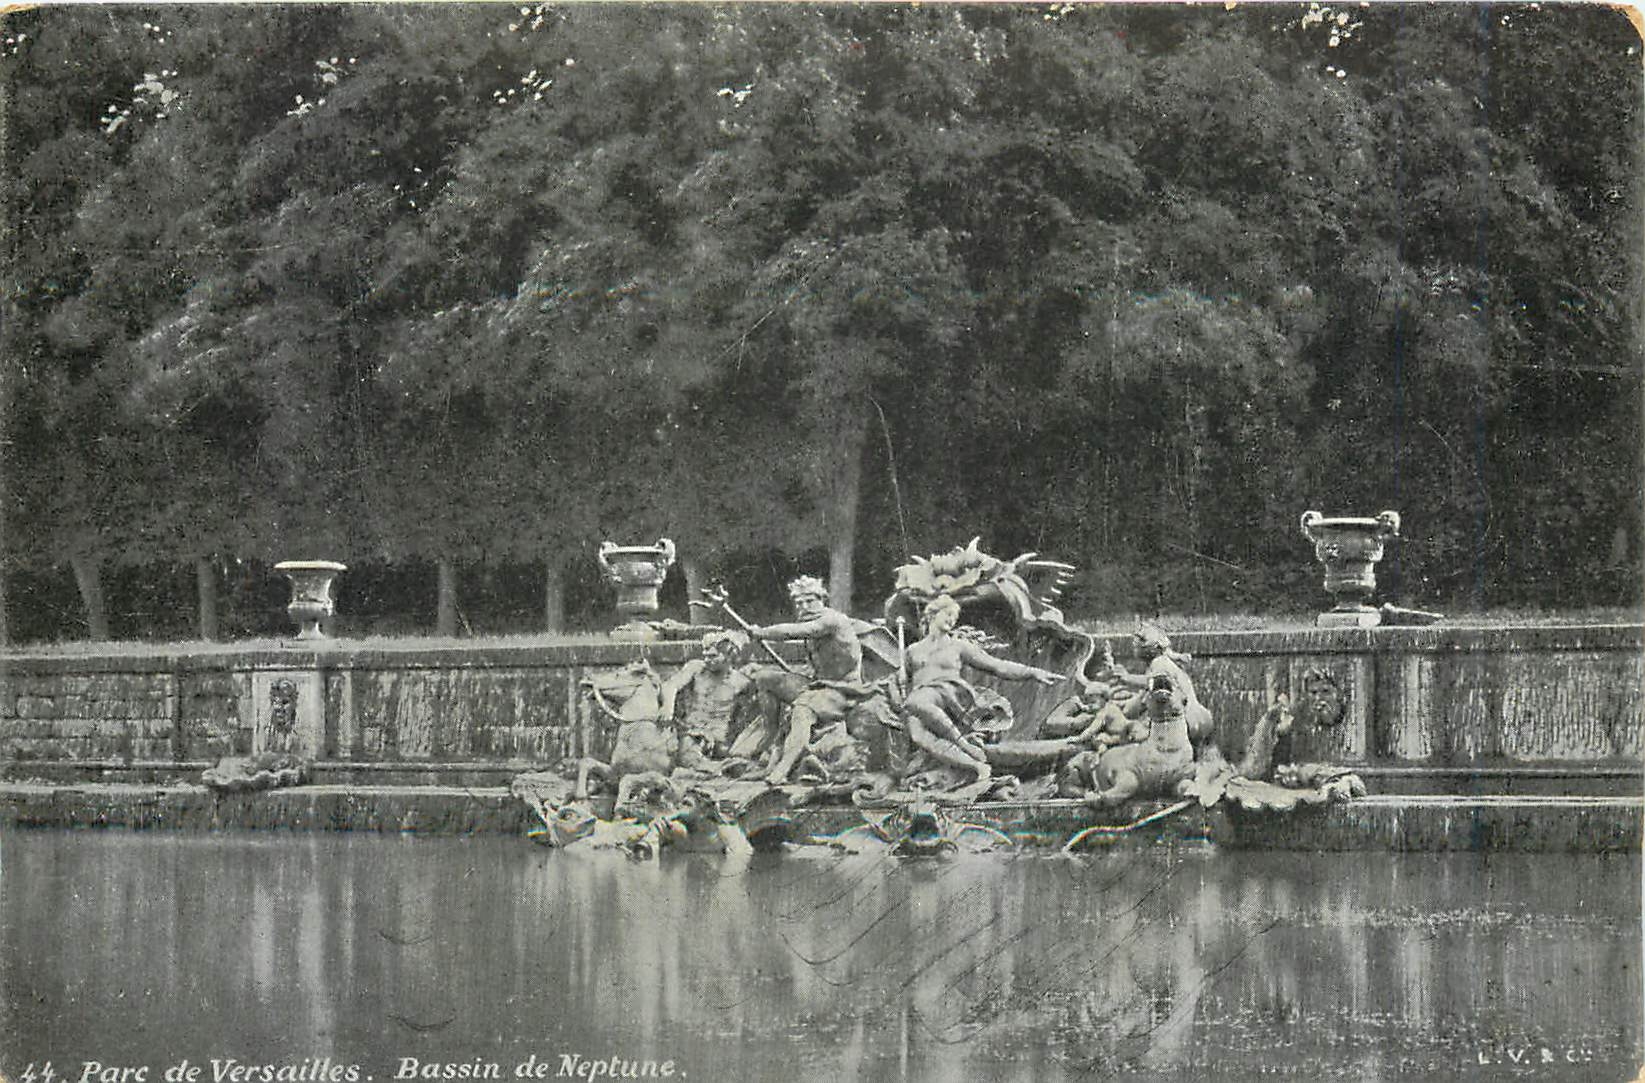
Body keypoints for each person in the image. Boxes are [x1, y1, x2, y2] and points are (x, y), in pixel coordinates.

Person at [902, 595, 1063, 783]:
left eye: (954, 617)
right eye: (948, 614)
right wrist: (899, 680)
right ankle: (977, 766)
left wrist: (1032, 672)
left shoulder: (958, 646)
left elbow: (996, 666)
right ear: (932, 614)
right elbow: (902, 683)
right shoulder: (912, 650)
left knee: (914, 701)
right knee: (918, 735)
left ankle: (964, 744)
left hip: (948, 694)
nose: (952, 620)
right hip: (923, 702)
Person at [746, 576, 877, 783]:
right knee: (764, 678)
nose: (804, 607)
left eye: (809, 601)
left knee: (803, 707)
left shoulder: (832, 621)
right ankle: (770, 736)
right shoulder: (811, 625)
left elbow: (795, 631)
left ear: (822, 599)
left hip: (844, 691)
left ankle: (783, 768)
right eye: (799, 603)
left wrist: (762, 632)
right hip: (818, 685)